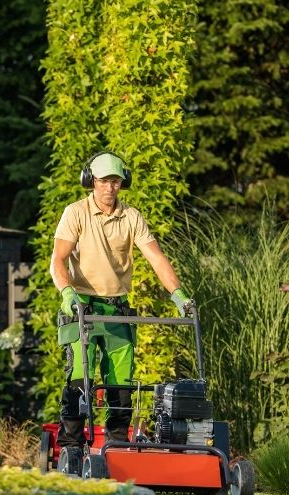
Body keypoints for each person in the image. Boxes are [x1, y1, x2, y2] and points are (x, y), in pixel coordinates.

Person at [49, 150, 193, 472]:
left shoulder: (132, 217)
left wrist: (179, 295)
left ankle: (117, 448)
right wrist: (67, 292)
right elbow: (58, 259)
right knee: (78, 380)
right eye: (103, 181)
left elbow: (156, 258)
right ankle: (71, 450)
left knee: (121, 386)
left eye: (115, 181)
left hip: (118, 310)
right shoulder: (75, 213)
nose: (109, 188)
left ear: (121, 183)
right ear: (91, 181)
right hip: (81, 306)